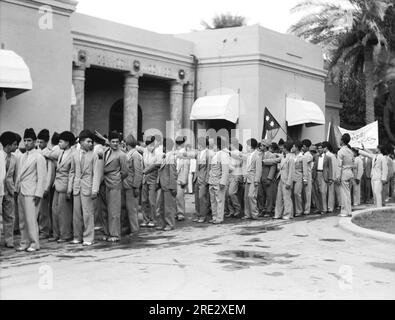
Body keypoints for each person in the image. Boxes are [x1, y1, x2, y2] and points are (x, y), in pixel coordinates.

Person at [15, 128, 47, 252]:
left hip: (32, 192)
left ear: (34, 142)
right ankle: (24, 242)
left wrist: (39, 193)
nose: (27, 143)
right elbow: (19, 175)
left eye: (29, 140)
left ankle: (34, 243)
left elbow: (42, 177)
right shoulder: (22, 156)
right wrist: (17, 189)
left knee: (31, 219)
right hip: (22, 191)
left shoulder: (39, 157)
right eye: (25, 140)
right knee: (22, 220)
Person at [70, 130, 102, 246]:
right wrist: (70, 188)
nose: (90, 144)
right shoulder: (74, 154)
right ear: (81, 141)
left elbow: (96, 173)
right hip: (77, 187)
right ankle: (77, 237)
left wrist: (95, 189)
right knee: (76, 214)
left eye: (91, 142)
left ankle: (88, 237)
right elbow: (72, 172)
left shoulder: (94, 155)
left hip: (88, 187)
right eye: (88, 141)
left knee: (88, 213)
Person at [100, 131, 128, 242]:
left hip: (115, 183)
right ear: (109, 142)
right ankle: (107, 232)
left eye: (117, 142)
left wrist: (116, 178)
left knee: (114, 211)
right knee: (104, 210)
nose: (115, 144)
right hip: (104, 183)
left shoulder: (122, 154)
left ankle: (115, 234)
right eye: (113, 141)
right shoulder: (105, 151)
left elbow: (125, 172)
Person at [49, 131, 75, 243]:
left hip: (65, 186)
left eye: (61, 141)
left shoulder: (72, 154)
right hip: (57, 185)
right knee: (54, 211)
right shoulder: (61, 153)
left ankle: (65, 234)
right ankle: (56, 234)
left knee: (64, 212)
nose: (59, 143)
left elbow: (72, 173)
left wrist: (70, 189)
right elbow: (50, 155)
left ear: (68, 143)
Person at [123, 134, 143, 236]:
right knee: (128, 209)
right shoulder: (129, 153)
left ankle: (134, 230)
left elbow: (138, 172)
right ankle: (129, 228)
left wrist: (136, 186)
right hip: (127, 184)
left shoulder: (134, 154)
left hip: (131, 185)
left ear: (127, 144)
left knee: (132, 209)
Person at [37, 129, 55, 240]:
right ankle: (41, 229)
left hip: (45, 186)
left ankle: (45, 230)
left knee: (45, 210)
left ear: (47, 142)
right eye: (38, 142)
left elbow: (50, 173)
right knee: (38, 210)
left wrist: (47, 187)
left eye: (41, 142)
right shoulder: (35, 152)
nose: (39, 144)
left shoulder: (49, 154)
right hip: (36, 185)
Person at [0, 132, 18, 248]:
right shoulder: (0, 156)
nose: (16, 147)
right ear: (8, 145)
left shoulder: (15, 158)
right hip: (0, 189)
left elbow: (16, 175)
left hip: (9, 190)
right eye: (14, 144)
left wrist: (14, 189)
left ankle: (9, 240)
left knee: (10, 216)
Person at [156, 138, 178, 231]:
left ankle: (170, 224)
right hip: (163, 184)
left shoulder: (171, 157)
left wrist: (173, 187)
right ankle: (162, 223)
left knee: (168, 207)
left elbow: (173, 173)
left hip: (168, 185)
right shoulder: (165, 156)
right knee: (161, 206)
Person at [208, 136, 230, 224]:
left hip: (218, 181)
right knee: (213, 201)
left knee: (219, 200)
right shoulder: (214, 154)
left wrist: (223, 182)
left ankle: (219, 218)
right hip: (212, 181)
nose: (211, 145)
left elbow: (225, 170)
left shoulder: (223, 154)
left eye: (213, 144)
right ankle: (214, 216)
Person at [141, 136, 161, 228]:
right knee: (144, 200)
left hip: (153, 179)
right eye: (148, 145)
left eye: (152, 145)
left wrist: (145, 171)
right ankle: (145, 219)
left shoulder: (158, 153)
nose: (150, 147)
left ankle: (153, 219)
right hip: (145, 179)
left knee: (152, 201)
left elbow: (156, 165)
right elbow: (136, 147)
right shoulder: (145, 151)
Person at [193, 137, 214, 223]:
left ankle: (203, 216)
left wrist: (207, 179)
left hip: (204, 178)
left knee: (202, 198)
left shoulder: (208, 154)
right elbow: (196, 167)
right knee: (197, 198)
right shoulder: (198, 154)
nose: (197, 145)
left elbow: (209, 167)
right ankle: (198, 214)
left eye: (198, 144)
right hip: (197, 178)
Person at [274, 141, 295, 220]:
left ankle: (288, 214)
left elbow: (291, 172)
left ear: (286, 149)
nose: (281, 149)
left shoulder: (291, 158)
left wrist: (289, 182)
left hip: (286, 180)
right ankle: (278, 214)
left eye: (282, 148)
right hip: (281, 178)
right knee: (279, 197)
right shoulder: (283, 156)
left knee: (287, 198)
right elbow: (275, 159)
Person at [242, 138, 262, 220]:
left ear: (251, 146)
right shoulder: (248, 155)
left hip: (253, 178)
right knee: (246, 197)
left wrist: (257, 180)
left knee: (251, 196)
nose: (246, 147)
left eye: (247, 145)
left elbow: (259, 169)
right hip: (247, 177)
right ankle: (247, 214)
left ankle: (254, 214)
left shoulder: (257, 155)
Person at [335, 134, 355, 217]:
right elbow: (353, 163)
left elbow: (339, 165)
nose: (339, 141)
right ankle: (348, 210)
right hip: (350, 172)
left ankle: (345, 212)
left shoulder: (341, 151)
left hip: (344, 173)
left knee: (344, 193)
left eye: (340, 140)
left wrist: (337, 177)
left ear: (342, 141)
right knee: (347, 193)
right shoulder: (350, 151)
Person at [257, 140, 277, 218]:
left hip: (267, 177)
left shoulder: (271, 155)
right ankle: (262, 209)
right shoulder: (259, 155)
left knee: (269, 195)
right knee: (260, 195)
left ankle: (269, 210)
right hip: (260, 177)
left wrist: (269, 178)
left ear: (265, 146)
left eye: (262, 145)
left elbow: (273, 167)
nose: (260, 147)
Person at [313, 143, 332, 214]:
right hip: (316, 174)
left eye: (320, 148)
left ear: (323, 149)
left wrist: (330, 178)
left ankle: (324, 209)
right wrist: (313, 176)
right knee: (317, 192)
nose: (319, 149)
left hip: (324, 175)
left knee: (323, 192)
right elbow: (313, 166)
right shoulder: (315, 156)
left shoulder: (328, 158)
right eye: (318, 148)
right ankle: (319, 208)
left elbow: (330, 168)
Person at [226, 138, 243, 218]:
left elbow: (236, 164)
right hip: (229, 175)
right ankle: (231, 211)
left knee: (231, 193)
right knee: (227, 194)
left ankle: (238, 210)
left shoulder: (239, 153)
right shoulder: (229, 153)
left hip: (236, 175)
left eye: (231, 144)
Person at [175, 136, 190, 222]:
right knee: (177, 196)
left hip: (180, 177)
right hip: (179, 176)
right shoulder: (180, 152)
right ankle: (178, 212)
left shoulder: (182, 153)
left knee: (179, 196)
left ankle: (180, 213)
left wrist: (183, 179)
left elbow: (183, 167)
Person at [292, 141, 307, 217]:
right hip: (291, 176)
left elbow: (305, 169)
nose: (292, 148)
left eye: (293, 147)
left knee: (297, 193)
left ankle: (299, 210)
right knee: (291, 194)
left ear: (297, 148)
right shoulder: (292, 156)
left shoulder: (303, 157)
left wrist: (305, 179)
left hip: (299, 176)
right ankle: (293, 210)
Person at [301, 139, 313, 215]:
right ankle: (303, 208)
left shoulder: (309, 155)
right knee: (302, 193)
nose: (302, 148)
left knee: (307, 193)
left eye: (303, 147)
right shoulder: (303, 154)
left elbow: (302, 162)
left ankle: (307, 209)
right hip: (301, 175)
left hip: (308, 176)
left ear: (307, 147)